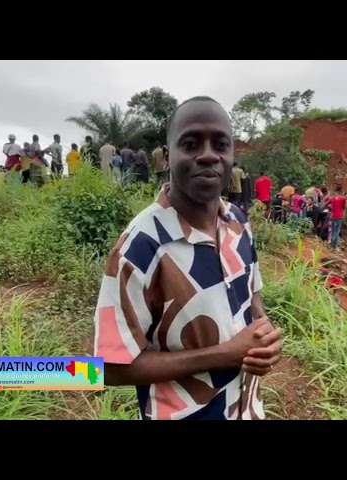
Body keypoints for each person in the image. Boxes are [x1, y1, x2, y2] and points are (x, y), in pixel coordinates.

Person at [93, 96, 282, 420]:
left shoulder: (239, 221)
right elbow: (110, 368)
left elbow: (253, 301)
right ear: (167, 157)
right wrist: (223, 355)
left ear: (232, 155)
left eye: (220, 144)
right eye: (191, 143)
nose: (208, 154)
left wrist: (265, 341)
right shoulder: (141, 246)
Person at [325, 185, 347, 250]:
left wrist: (331, 209)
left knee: (333, 230)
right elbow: (344, 207)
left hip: (333, 215)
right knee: (337, 231)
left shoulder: (334, 198)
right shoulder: (343, 198)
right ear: (341, 190)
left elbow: (326, 203)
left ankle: (332, 244)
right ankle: (335, 246)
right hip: (340, 216)